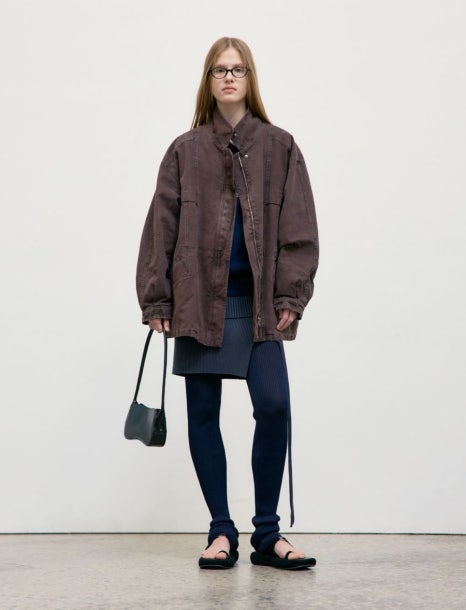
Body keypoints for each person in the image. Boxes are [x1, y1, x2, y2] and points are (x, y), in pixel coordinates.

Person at [136, 37, 319, 570]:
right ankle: (221, 530)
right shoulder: (184, 150)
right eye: (220, 70)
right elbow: (160, 228)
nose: (229, 77)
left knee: (274, 406)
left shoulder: (281, 147)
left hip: (258, 305)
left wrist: (292, 293)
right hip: (198, 301)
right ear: (209, 80)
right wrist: (157, 296)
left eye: (238, 69)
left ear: (250, 78)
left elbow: (299, 228)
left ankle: (267, 533)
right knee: (202, 414)